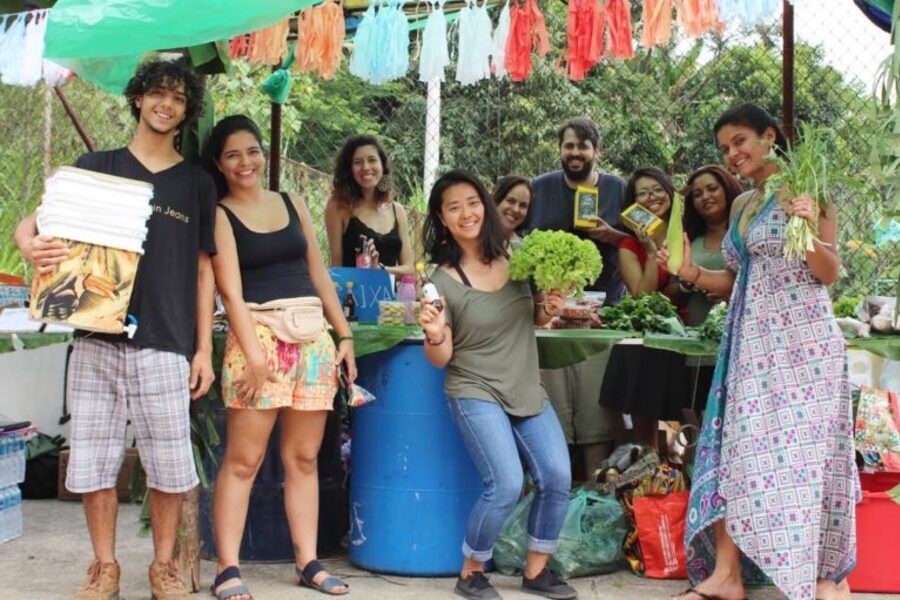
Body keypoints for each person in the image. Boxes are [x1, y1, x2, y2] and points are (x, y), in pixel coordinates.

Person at [14, 59, 217, 600]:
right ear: (137, 99)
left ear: (185, 111)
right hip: (95, 335)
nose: (165, 104)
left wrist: (204, 350)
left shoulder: (196, 183)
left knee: (171, 465)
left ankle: (164, 568)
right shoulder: (96, 166)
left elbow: (204, 268)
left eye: (177, 98)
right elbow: (35, 221)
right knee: (92, 460)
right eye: (157, 93)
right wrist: (27, 241)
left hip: (168, 341)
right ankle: (104, 567)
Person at [660, 104, 857, 600]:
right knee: (738, 453)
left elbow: (828, 273)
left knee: (803, 459)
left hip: (803, 346)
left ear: (770, 136)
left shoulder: (809, 186)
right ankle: (727, 576)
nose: (732, 154)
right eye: (725, 148)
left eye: (741, 141)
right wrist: (692, 276)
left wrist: (808, 222)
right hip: (750, 345)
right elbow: (739, 277)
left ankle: (823, 576)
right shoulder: (743, 204)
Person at [201, 115, 357, 599]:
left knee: (304, 457)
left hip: (312, 338)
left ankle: (307, 561)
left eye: (251, 151)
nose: (245, 162)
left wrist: (344, 335)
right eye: (232, 155)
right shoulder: (220, 214)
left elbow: (318, 272)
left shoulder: (292, 203)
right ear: (219, 164)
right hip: (259, 337)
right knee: (245, 459)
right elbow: (228, 290)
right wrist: (253, 356)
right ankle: (228, 567)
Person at [418, 170, 577, 600]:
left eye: (472, 202)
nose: (466, 213)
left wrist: (549, 305)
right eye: (453, 207)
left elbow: (536, 318)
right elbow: (441, 357)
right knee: (505, 484)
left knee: (558, 475)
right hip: (474, 389)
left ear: (484, 204)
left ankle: (536, 570)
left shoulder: (518, 254)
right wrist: (434, 331)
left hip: (524, 384)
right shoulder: (442, 280)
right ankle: (471, 571)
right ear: (442, 217)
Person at [525, 116, 628, 479]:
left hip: (602, 318)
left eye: (583, 146)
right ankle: (556, 499)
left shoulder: (619, 190)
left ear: (596, 151)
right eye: (568, 145)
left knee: (596, 418)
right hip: (548, 318)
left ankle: (594, 499)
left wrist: (612, 236)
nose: (575, 152)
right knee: (551, 414)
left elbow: (644, 244)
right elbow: (513, 238)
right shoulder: (538, 188)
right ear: (560, 150)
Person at [324, 135, 414, 277]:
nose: (366, 167)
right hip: (352, 295)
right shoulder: (338, 206)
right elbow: (336, 266)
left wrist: (380, 270)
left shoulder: (397, 210)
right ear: (349, 169)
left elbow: (410, 269)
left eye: (372, 160)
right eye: (358, 162)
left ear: (382, 166)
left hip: (391, 298)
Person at [678, 165, 743, 326]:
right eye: (697, 194)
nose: (705, 197)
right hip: (695, 335)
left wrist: (729, 293)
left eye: (712, 189)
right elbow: (670, 291)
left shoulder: (746, 232)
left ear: (727, 189)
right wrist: (687, 283)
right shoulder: (688, 238)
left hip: (740, 329)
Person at [617, 167, 676, 297]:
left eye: (658, 190)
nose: (652, 197)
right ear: (634, 203)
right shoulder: (628, 247)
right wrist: (651, 252)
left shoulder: (688, 231)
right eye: (643, 193)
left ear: (669, 193)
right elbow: (642, 297)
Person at [492, 175, 533, 247]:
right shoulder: (473, 238)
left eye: (523, 205)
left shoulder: (525, 248)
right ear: (496, 200)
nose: (516, 210)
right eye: (510, 201)